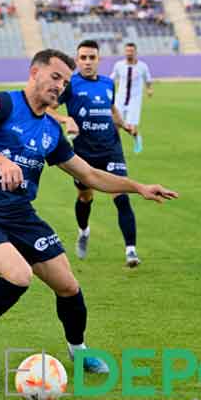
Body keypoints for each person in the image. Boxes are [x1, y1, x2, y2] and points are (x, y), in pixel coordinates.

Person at [0, 49, 177, 374]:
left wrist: (138, 187)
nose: (60, 86)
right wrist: (2, 160)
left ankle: (79, 350)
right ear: (34, 73)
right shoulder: (3, 104)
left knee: (68, 286)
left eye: (65, 82)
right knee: (18, 275)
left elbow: (89, 175)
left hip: (19, 213)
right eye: (55, 77)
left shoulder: (51, 131)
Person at [47, 40, 141, 266]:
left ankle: (131, 251)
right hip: (83, 153)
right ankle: (84, 231)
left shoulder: (108, 83)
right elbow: (47, 109)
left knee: (122, 195)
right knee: (85, 196)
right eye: (83, 58)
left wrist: (125, 125)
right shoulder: (69, 85)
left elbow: (111, 109)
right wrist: (66, 119)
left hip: (111, 149)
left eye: (92, 58)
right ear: (77, 60)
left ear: (99, 60)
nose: (88, 62)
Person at [111, 43, 152, 153]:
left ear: (135, 52)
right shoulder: (119, 65)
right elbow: (112, 79)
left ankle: (137, 138)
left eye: (131, 51)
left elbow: (147, 79)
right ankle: (116, 148)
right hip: (120, 99)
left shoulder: (142, 66)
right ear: (124, 52)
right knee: (115, 125)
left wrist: (149, 89)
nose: (129, 53)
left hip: (134, 100)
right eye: (127, 51)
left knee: (130, 127)